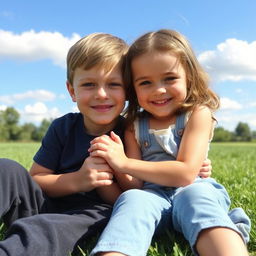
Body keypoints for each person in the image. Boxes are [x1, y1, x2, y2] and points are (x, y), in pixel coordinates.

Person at [0, 32, 210, 256]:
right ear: (72, 91)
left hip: (91, 214)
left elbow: (134, 191)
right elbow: (37, 178)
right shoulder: (62, 127)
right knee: (6, 169)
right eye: (89, 84)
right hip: (44, 203)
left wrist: (115, 168)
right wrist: (79, 180)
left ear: (128, 90)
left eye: (113, 84)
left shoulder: (130, 130)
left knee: (44, 228)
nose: (102, 94)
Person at [89, 29, 251, 256]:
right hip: (151, 197)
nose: (159, 90)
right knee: (132, 199)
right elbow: (135, 185)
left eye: (170, 78)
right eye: (145, 82)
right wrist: (113, 164)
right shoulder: (134, 124)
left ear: (189, 77)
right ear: (132, 88)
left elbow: (185, 174)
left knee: (196, 198)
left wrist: (123, 163)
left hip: (193, 187)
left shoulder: (197, 114)